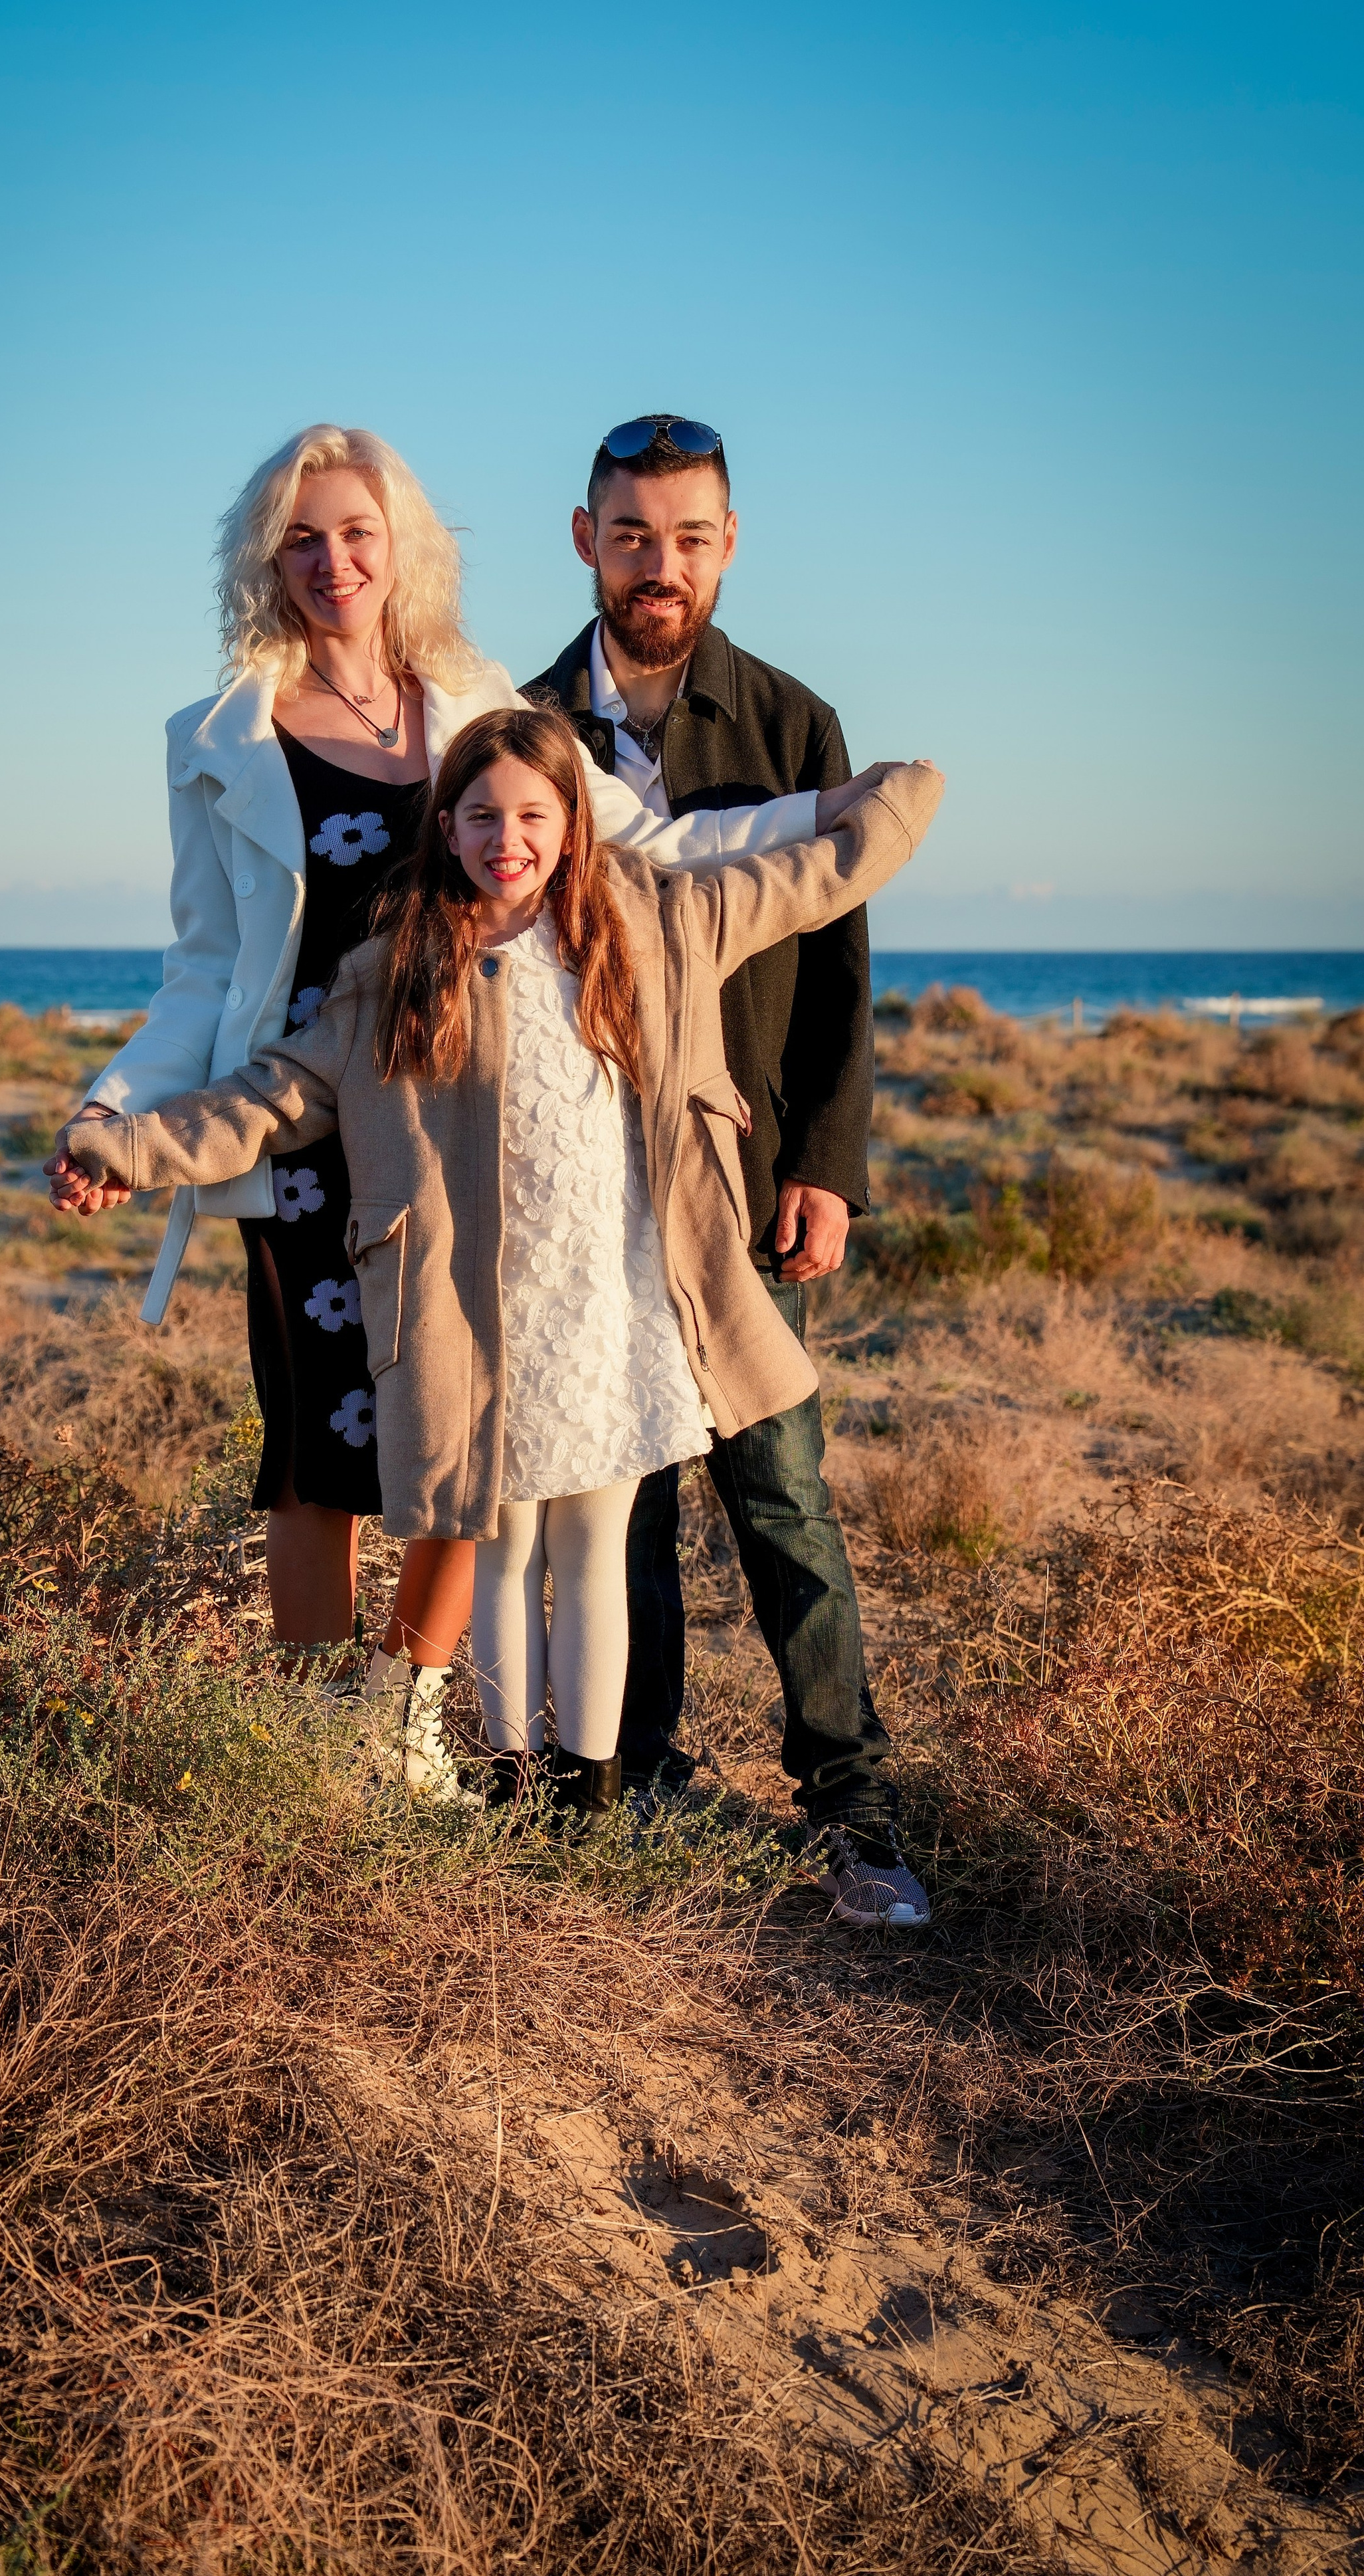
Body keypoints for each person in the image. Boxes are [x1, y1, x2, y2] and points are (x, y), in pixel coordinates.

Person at [59, 425, 847, 1796]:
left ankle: (412, 1729)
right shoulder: (218, 738)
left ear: (398, 543)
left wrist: (838, 817)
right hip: (300, 1123)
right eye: (299, 539)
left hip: (446, 1121)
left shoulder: (468, 696)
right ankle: (310, 1743)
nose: (330, 560)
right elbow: (200, 966)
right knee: (317, 1452)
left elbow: (635, 849)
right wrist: (114, 1108)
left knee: (463, 1413)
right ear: (266, 561)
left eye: (354, 532)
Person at [47, 706, 943, 1828]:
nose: (506, 837)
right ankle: (517, 1778)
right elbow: (275, 1096)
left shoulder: (663, 920)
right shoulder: (396, 975)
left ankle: (591, 1787)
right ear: (448, 827)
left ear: (574, 822)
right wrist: (126, 1147)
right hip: (478, 1311)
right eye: (480, 815)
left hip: (618, 1299)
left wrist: (905, 789)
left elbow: (819, 876)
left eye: (532, 812)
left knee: (594, 1545)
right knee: (503, 1543)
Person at [524, 415, 927, 1927]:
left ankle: (850, 1797)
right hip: (585, 1188)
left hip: (749, 1183)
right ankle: (629, 1778)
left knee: (779, 1490)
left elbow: (839, 968)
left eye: (688, 538)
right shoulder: (518, 728)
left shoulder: (790, 723)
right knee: (613, 1496)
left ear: (728, 544)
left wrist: (825, 1163)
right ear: (583, 538)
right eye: (631, 535)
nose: (659, 565)